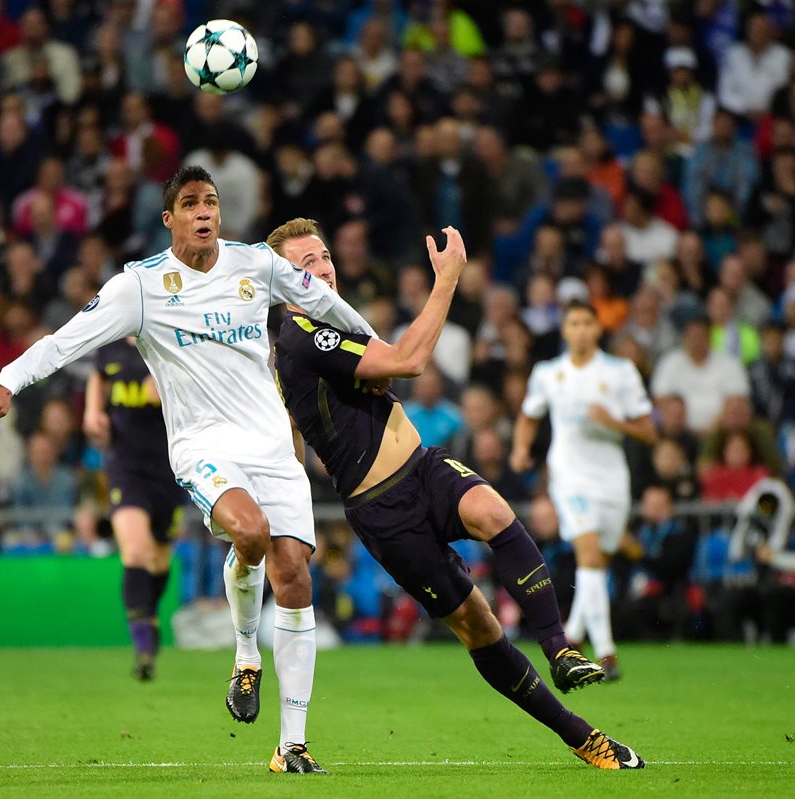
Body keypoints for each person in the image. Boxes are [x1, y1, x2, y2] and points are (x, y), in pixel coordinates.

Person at [0, 166, 377, 774]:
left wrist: (383, 360)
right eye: (190, 203)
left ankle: (291, 744)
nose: (203, 211)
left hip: (271, 446)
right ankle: (246, 651)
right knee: (252, 534)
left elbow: (329, 305)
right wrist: (8, 381)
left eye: (210, 201)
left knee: (293, 576)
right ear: (170, 219)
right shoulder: (140, 286)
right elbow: (66, 341)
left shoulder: (257, 265)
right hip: (202, 445)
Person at [269, 218, 641, 770]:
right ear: (283, 285)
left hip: (422, 468)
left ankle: (561, 649)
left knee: (493, 511)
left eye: (324, 257)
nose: (323, 269)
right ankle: (581, 736)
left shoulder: (334, 324)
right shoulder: (305, 336)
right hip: (383, 511)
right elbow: (409, 361)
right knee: (479, 626)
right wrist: (447, 280)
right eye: (306, 265)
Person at [511, 300, 657, 682]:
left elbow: (648, 431)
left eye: (586, 323)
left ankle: (572, 636)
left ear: (597, 329)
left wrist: (614, 422)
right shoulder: (549, 373)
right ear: (565, 330)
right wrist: (521, 448)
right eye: (572, 323)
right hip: (569, 476)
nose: (579, 330)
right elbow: (529, 415)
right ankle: (607, 654)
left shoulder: (620, 371)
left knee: (597, 565)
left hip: (612, 480)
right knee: (589, 555)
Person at [84, 337, 185, 681]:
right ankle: (143, 645)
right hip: (125, 464)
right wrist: (93, 411)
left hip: (170, 466)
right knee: (136, 550)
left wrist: (169, 389)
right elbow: (98, 374)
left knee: (158, 559)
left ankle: (149, 616)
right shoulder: (112, 345)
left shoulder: (170, 337)